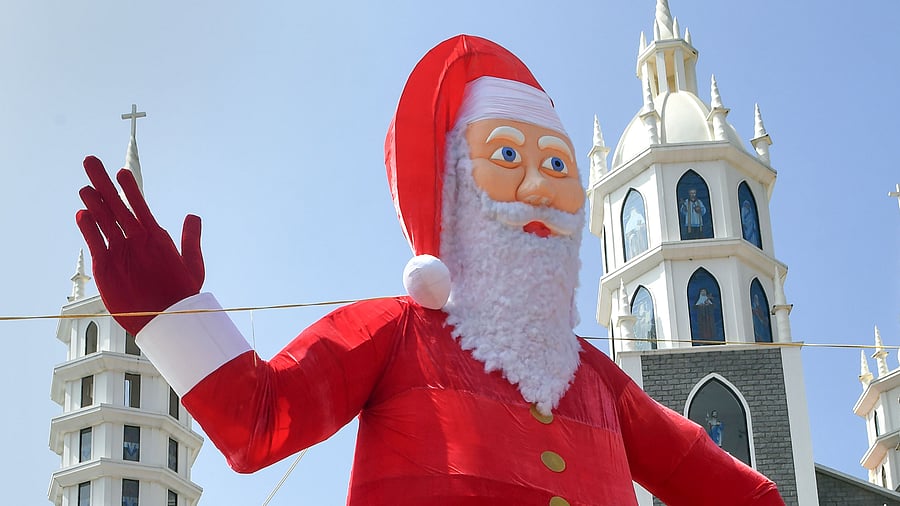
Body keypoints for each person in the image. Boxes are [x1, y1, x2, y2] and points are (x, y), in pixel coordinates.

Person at [76, 35, 783, 505]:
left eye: (558, 166)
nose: (539, 187)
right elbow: (261, 420)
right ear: (449, 190)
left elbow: (746, 496)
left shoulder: (597, 384)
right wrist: (172, 316)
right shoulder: (394, 333)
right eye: (507, 156)